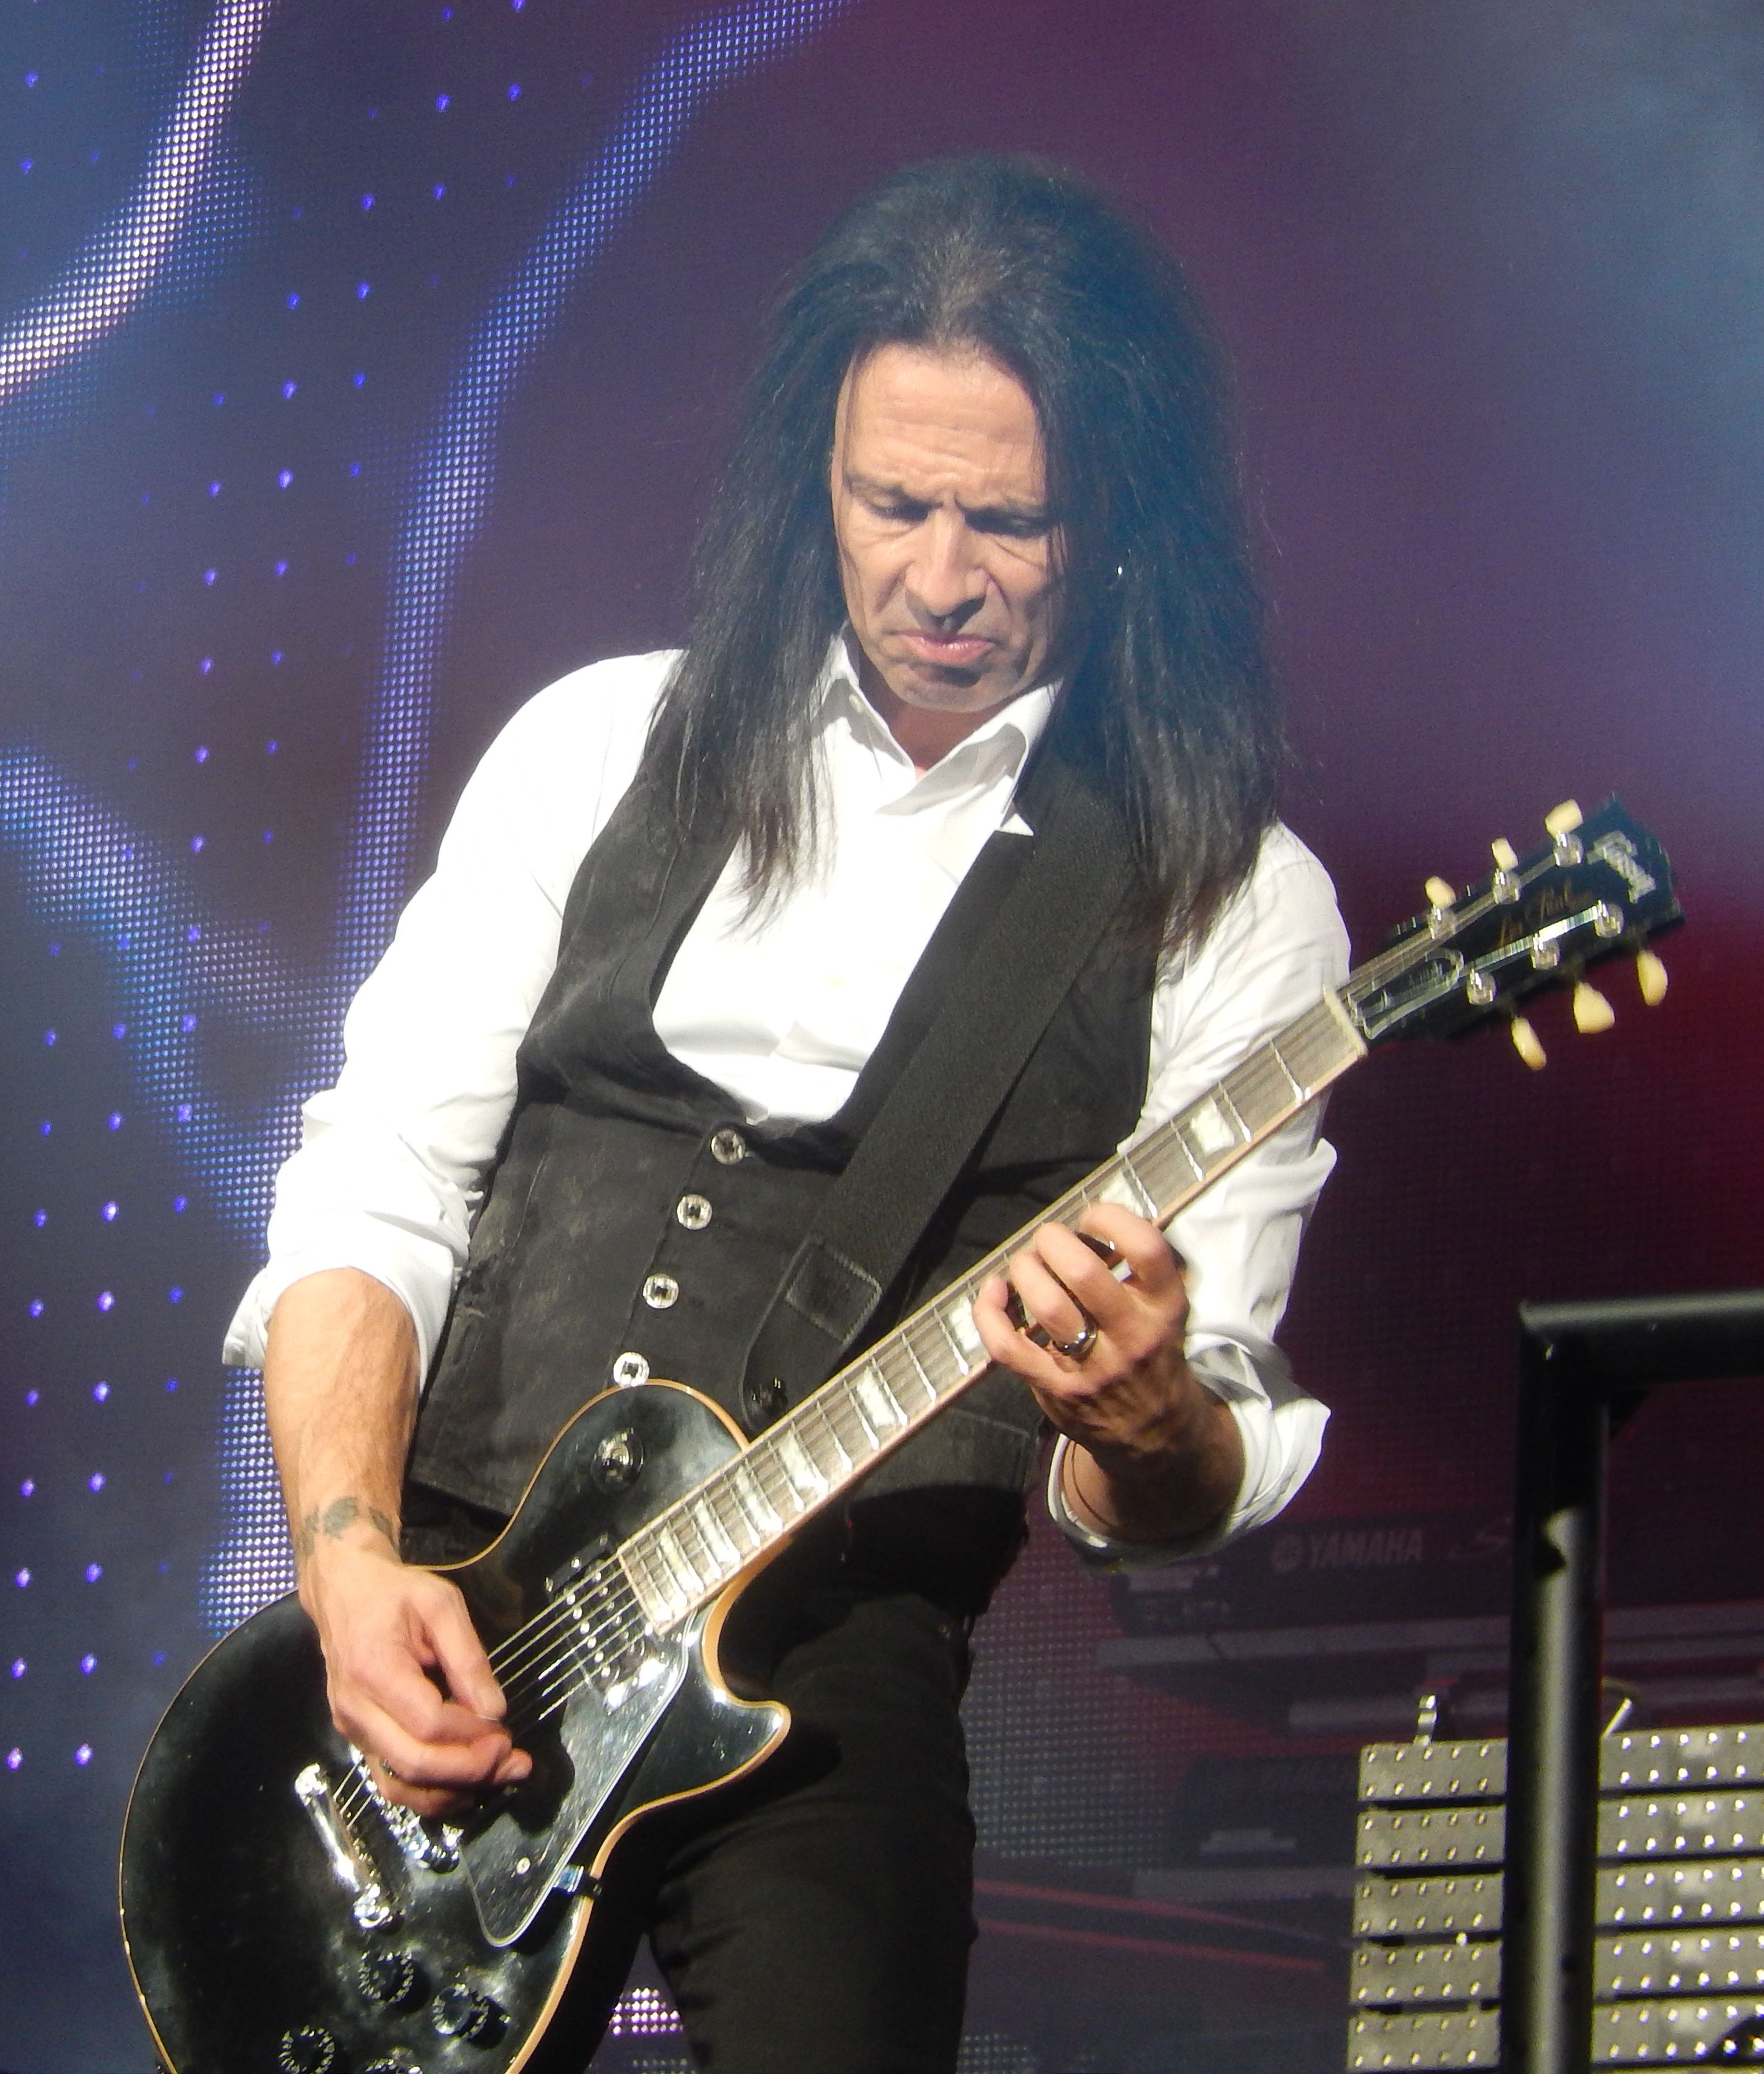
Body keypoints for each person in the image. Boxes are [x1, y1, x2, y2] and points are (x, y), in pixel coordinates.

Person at [224, 154, 1346, 2072]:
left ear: (1118, 521)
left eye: (1008, 520)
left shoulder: (1227, 896)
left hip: (831, 1654)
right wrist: (344, 1565)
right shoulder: (597, 742)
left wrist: (1145, 1417)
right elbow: (375, 1185)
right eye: (890, 502)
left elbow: (1161, 1482)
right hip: (461, 1604)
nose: (938, 576)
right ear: (810, 475)